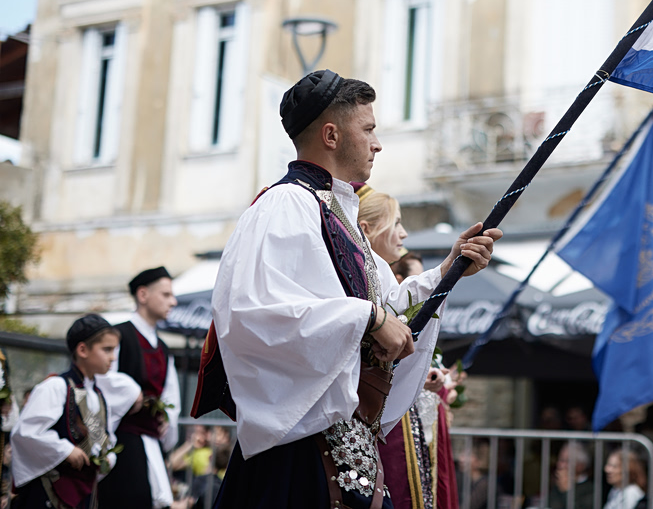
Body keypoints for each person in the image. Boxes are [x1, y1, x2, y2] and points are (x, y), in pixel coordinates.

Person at [197, 70, 501, 509]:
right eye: (369, 129)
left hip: (347, 455)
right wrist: (370, 318)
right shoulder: (286, 205)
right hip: (298, 457)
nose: (377, 144)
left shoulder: (337, 213)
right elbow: (255, 314)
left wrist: (443, 275)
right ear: (332, 134)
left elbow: (388, 307)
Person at [360, 185, 458, 509]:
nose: (403, 234)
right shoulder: (358, 268)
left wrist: (448, 271)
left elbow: (400, 311)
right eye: (396, 222)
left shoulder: (380, 272)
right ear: (366, 229)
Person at [11, 314, 141, 509]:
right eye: (107, 350)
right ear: (82, 350)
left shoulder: (96, 394)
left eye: (114, 350)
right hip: (49, 493)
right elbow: (26, 432)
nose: (113, 357)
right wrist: (64, 450)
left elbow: (100, 439)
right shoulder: (56, 387)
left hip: (82, 494)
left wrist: (107, 456)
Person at [97, 266, 181, 509]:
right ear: (142, 295)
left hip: (151, 439)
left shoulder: (163, 348)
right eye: (165, 295)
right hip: (122, 438)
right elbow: (104, 381)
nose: (173, 301)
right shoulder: (119, 336)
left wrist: (167, 418)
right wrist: (132, 395)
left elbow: (169, 393)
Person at [549, 442, 595, 509]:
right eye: (560, 460)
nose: (560, 465)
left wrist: (567, 491)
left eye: (566, 461)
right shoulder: (558, 485)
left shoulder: (590, 489)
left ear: (580, 466)